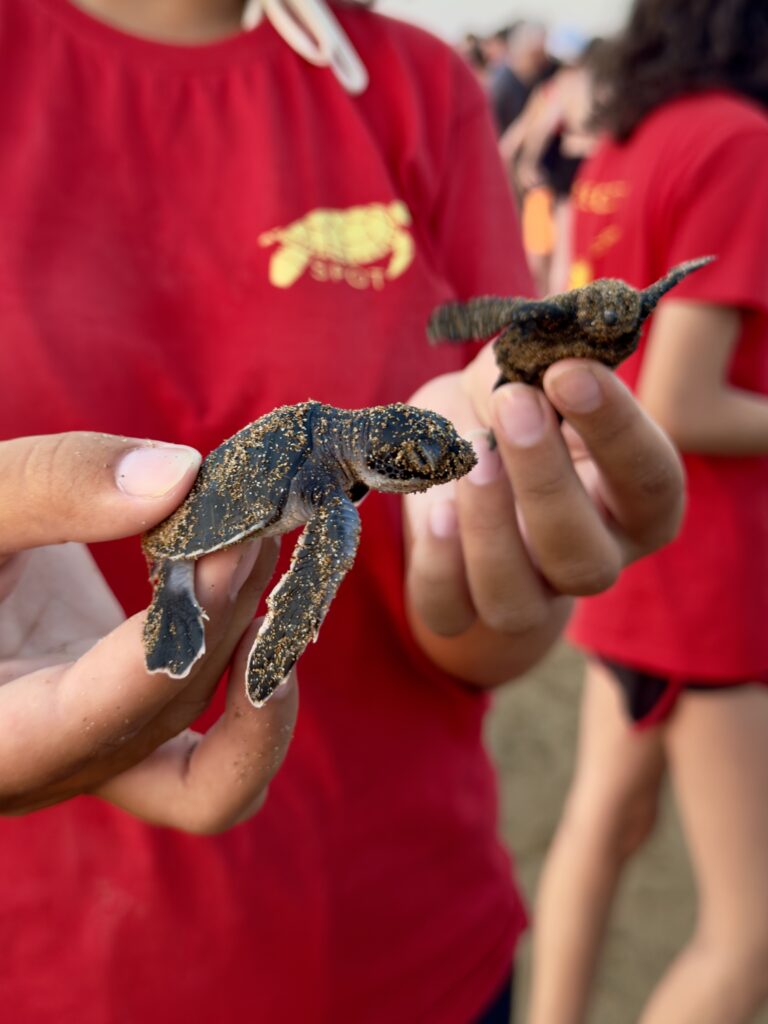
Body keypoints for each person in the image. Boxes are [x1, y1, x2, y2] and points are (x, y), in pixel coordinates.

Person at [0, 1, 683, 1021]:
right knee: (295, 545)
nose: (431, 469)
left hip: (409, 937)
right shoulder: (334, 490)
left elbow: (471, 617)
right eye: (422, 465)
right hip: (55, 966)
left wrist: (500, 572)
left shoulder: (421, 90)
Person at [527, 2, 768, 1023]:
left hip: (626, 554)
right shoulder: (739, 141)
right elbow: (680, 400)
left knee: (602, 826)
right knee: (751, 935)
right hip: (709, 576)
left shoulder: (629, 138)